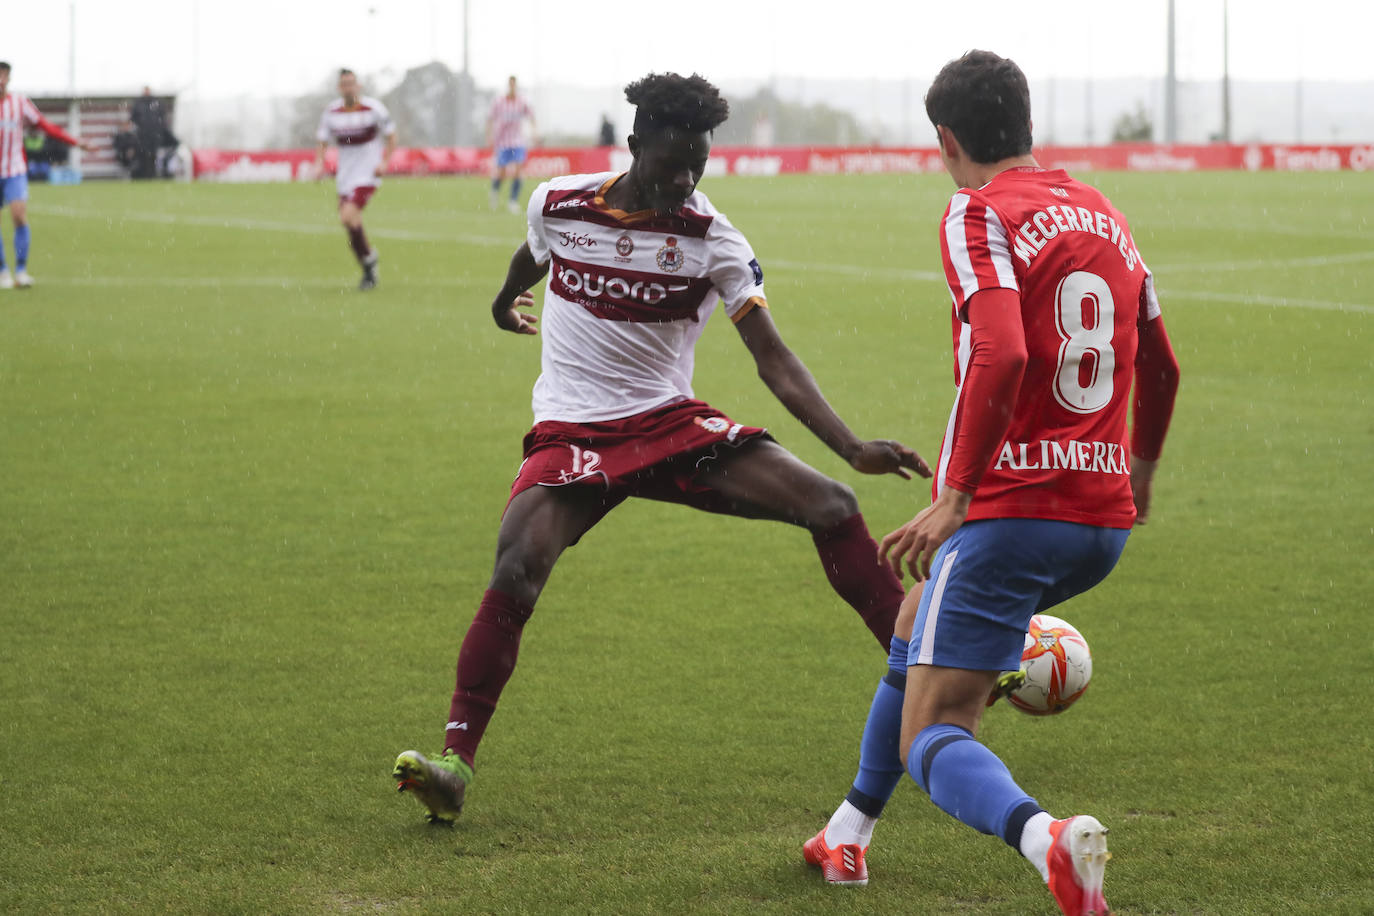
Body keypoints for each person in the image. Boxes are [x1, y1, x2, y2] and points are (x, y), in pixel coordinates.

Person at [393, 71, 932, 824]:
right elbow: (532, 256)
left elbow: (772, 359)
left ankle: (928, 684)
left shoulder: (713, 239)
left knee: (832, 505)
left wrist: (851, 446)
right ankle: (453, 766)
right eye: (673, 163)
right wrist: (500, 300)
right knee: (517, 565)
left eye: (697, 165)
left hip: (669, 426)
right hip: (573, 430)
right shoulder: (559, 203)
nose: (685, 180)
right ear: (634, 144)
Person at [800, 51, 1180, 916]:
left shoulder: (977, 211)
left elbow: (1003, 351)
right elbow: (1162, 365)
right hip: (1101, 521)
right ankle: (848, 833)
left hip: (1013, 515)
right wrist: (1141, 472)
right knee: (913, 619)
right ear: (1027, 120)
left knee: (935, 731)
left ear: (946, 139)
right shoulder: (1105, 212)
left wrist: (959, 495)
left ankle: (1049, 841)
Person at [0, 61, 96, 290]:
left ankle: (21, 271)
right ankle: (2, 271)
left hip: (15, 170)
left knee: (19, 216)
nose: (1, 80)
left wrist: (76, 142)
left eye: (4, 75)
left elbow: (45, 125)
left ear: (9, 78)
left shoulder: (19, 102)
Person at [314, 69, 396, 291]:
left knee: (347, 215)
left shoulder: (374, 109)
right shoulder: (332, 112)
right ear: (339, 88)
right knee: (350, 222)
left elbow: (391, 135)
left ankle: (368, 261)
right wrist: (319, 163)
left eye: (351, 83)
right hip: (346, 175)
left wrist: (384, 162)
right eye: (344, 84)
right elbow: (322, 140)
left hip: (368, 174)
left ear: (358, 86)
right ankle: (368, 262)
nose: (348, 88)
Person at [486, 76, 536, 214]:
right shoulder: (499, 102)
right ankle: (495, 191)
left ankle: (513, 201)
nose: (512, 87)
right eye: (510, 85)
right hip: (502, 142)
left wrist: (534, 133)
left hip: (518, 141)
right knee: (502, 172)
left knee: (518, 171)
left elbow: (531, 117)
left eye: (514, 85)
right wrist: (489, 136)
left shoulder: (522, 101)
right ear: (508, 86)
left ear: (516, 86)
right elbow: (490, 118)